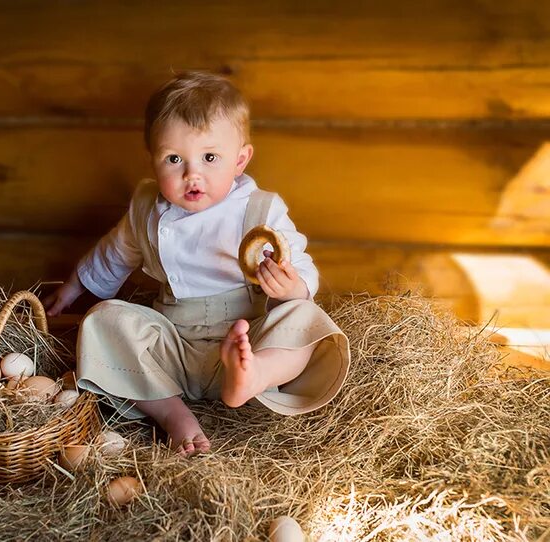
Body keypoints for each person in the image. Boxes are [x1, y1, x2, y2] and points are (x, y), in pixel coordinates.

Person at [42, 71, 350, 457]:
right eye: (174, 159)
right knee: (103, 320)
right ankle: (172, 412)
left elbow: (302, 267)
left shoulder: (260, 210)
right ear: (153, 161)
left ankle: (255, 377)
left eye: (209, 157)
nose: (192, 174)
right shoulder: (146, 210)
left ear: (240, 160)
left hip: (245, 337)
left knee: (306, 318)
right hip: (173, 343)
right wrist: (73, 288)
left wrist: (291, 288)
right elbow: (113, 255)